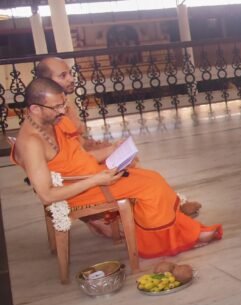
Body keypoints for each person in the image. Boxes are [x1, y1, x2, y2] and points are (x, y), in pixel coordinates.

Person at [13, 78, 222, 258]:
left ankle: (183, 234)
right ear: (35, 109)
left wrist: (114, 149)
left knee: (151, 177)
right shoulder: (31, 142)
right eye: (56, 107)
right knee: (151, 187)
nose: (62, 111)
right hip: (81, 190)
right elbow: (47, 195)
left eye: (63, 104)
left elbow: (79, 158)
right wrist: (96, 180)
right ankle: (164, 244)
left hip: (90, 178)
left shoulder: (49, 122)